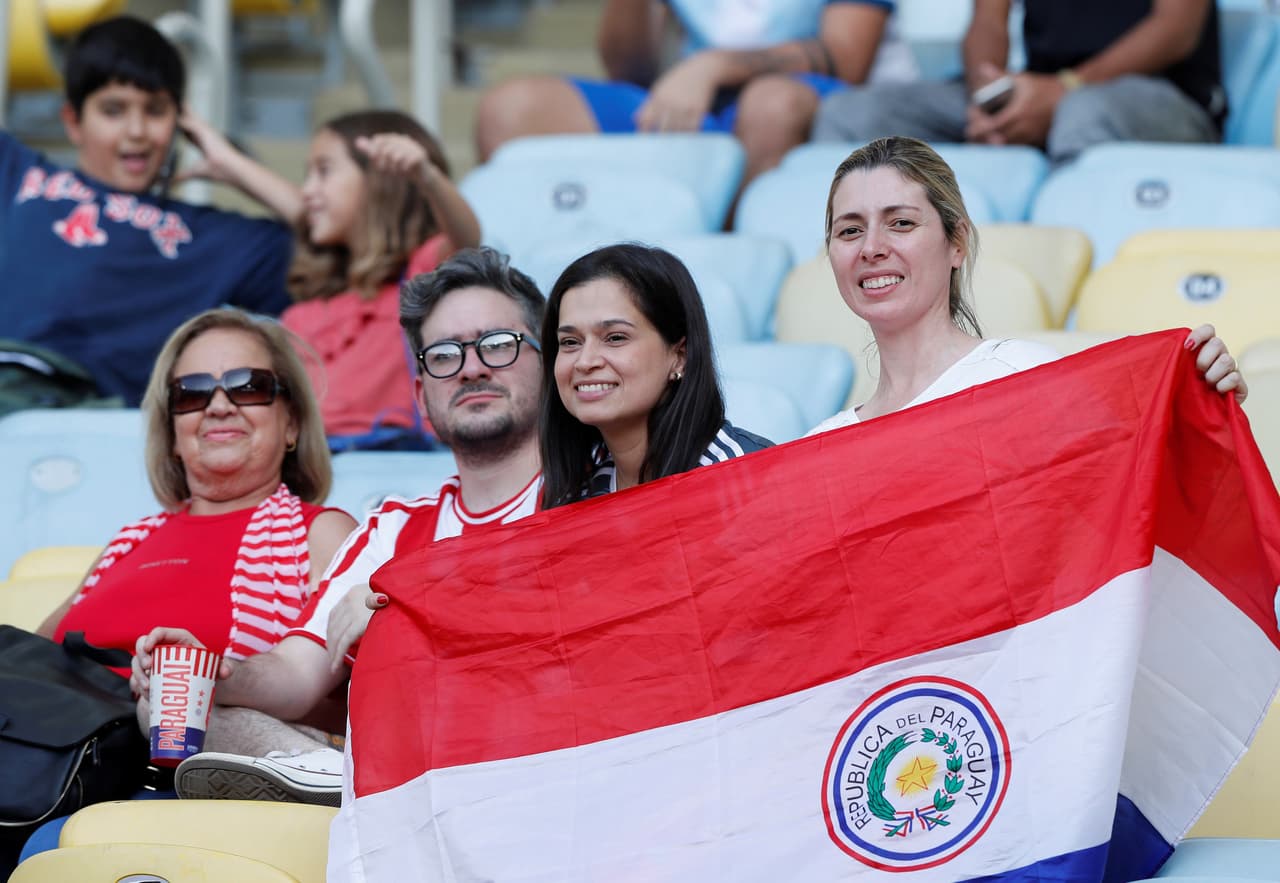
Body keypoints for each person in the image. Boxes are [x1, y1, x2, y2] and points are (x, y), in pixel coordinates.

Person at [129, 247, 545, 805]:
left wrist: (411, 613)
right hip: (416, 777)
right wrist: (220, 671)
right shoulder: (390, 532)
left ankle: (345, 785)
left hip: (552, 758)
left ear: (549, 365)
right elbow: (297, 674)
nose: (472, 368)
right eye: (444, 355)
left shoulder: (601, 498)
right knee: (169, 704)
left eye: (497, 344)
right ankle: (333, 778)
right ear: (422, 398)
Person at [18, 307, 355, 862]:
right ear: (173, 432)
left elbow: (358, 698)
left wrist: (205, 679)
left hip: (190, 784)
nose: (219, 405)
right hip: (64, 773)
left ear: (291, 423)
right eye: (192, 393)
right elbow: (30, 665)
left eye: (248, 386)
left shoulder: (320, 532)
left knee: (166, 702)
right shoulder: (129, 541)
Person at [806, 136, 1245, 436]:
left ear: (957, 243)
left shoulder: (1023, 376)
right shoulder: (822, 448)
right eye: (849, 231)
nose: (871, 248)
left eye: (901, 223)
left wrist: (1199, 415)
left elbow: (1129, 494)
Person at [0, 16, 303, 410]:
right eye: (113, 110)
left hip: (94, 418)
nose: (137, 131)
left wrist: (232, 164)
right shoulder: (17, 173)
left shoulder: (210, 237)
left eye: (156, 110)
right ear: (73, 121)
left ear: (180, 122)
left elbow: (352, 241)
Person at [474, 0, 917, 206]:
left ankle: (723, 269)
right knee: (511, 111)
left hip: (804, 97)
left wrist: (717, 66)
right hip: (698, 99)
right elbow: (629, 70)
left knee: (770, 106)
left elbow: (847, 59)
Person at [281, 111, 482, 450]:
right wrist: (226, 162)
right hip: (317, 466)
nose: (307, 191)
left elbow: (467, 240)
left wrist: (426, 176)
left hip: (401, 465)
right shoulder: (304, 313)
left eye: (324, 171)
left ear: (381, 182)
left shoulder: (419, 280)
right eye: (307, 175)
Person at [812, 0, 1226, 164]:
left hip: (1163, 96)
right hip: (1039, 90)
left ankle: (1069, 281)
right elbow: (987, 21)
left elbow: (1177, 29)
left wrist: (1064, 89)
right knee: (850, 114)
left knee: (1082, 114)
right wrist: (988, 94)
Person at [540, 243, 772, 507]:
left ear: (680, 356)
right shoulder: (578, 497)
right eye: (570, 342)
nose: (585, 361)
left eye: (615, 337)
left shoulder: (747, 476)